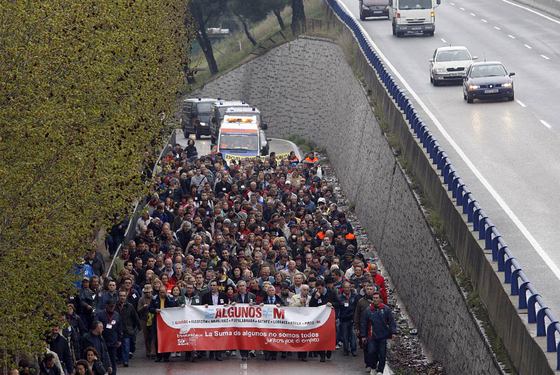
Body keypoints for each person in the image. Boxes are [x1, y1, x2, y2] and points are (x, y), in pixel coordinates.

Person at [360, 291, 398, 375]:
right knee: (371, 352)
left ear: (380, 299)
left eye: (377, 298)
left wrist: (393, 332)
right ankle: (373, 367)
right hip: (371, 336)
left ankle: (380, 370)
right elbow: (364, 323)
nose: (375, 299)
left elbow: (391, 321)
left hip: (383, 336)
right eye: (374, 298)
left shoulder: (386, 309)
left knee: (382, 354)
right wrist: (363, 335)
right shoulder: (368, 310)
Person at [309, 280, 337, 362]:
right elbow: (311, 306)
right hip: (320, 319)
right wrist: (315, 298)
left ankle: (329, 350)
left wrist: (332, 304)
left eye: (320, 288)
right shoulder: (315, 294)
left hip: (329, 318)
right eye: (317, 289)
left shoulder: (331, 293)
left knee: (330, 335)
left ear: (323, 287)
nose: (318, 290)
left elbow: (339, 303)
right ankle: (322, 355)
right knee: (321, 336)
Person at [149, 286, 177, 362]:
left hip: (167, 322)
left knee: (167, 339)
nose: (162, 294)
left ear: (166, 292)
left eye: (163, 292)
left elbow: (173, 306)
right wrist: (155, 310)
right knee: (157, 339)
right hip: (157, 322)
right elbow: (150, 308)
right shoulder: (155, 299)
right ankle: (159, 356)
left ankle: (166, 356)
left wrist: (167, 298)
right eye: (161, 292)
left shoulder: (170, 298)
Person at [201, 280, 227, 361]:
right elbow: (201, 307)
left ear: (218, 286)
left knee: (219, 336)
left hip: (220, 319)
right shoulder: (205, 296)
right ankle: (211, 352)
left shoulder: (223, 295)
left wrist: (226, 305)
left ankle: (218, 354)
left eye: (214, 285)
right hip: (210, 319)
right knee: (211, 335)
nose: (212, 287)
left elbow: (227, 305)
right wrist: (204, 306)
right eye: (211, 285)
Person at [95, 300, 122, 375]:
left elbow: (119, 328)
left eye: (113, 306)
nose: (112, 308)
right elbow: (95, 325)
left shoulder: (117, 315)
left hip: (113, 341)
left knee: (112, 360)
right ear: (106, 305)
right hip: (102, 340)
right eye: (110, 306)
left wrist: (119, 339)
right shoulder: (100, 314)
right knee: (102, 359)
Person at [116, 290, 140, 367]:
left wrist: (138, 326)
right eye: (121, 296)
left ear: (126, 297)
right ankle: (120, 359)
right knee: (118, 346)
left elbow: (135, 317)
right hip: (117, 330)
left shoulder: (130, 306)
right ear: (118, 296)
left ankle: (125, 361)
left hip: (127, 329)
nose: (122, 297)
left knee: (126, 346)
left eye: (124, 296)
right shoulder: (114, 306)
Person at [355, 283, 376, 371]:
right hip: (365, 328)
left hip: (376, 328)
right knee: (366, 347)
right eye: (368, 289)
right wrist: (357, 327)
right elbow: (357, 315)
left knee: (375, 348)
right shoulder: (361, 302)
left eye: (371, 289)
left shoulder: (378, 301)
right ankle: (368, 364)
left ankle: (374, 363)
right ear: (365, 290)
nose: (369, 291)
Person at [337, 281, 359, 356]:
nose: (347, 289)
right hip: (343, 320)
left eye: (348, 287)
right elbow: (337, 308)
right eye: (345, 287)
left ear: (350, 287)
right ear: (343, 288)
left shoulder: (355, 296)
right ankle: (346, 350)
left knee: (353, 335)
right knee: (345, 336)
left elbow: (357, 308)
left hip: (353, 319)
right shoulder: (339, 297)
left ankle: (354, 350)